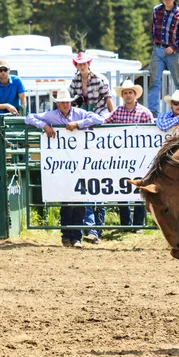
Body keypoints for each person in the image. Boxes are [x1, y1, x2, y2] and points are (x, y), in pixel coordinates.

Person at [24, 88, 105, 248]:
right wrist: (45, 125)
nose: (65, 104)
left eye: (67, 102)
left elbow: (100, 119)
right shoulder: (51, 115)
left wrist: (79, 124)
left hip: (81, 162)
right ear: (58, 104)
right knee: (67, 199)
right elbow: (29, 118)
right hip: (63, 163)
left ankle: (76, 237)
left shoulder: (79, 114)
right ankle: (66, 235)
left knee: (80, 200)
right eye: (62, 102)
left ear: (71, 102)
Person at [69, 51, 114, 243]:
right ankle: (94, 230)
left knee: (95, 179)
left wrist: (113, 118)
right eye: (79, 64)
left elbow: (108, 100)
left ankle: (95, 229)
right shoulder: (74, 82)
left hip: (98, 118)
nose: (82, 66)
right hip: (82, 121)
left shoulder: (100, 79)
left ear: (89, 63)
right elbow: (70, 102)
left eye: (84, 63)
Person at [104, 79, 152, 231]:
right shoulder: (117, 111)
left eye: (130, 92)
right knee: (122, 187)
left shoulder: (144, 112)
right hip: (122, 157)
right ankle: (125, 223)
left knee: (140, 188)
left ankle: (137, 224)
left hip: (140, 157)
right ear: (123, 95)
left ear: (135, 94)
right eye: (125, 93)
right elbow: (104, 123)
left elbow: (151, 132)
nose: (128, 95)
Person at [148, 0, 179, 118]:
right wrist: (156, 43)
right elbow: (152, 28)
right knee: (154, 83)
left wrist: (174, 47)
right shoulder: (156, 11)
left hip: (173, 52)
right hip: (158, 49)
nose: (167, 0)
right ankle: (153, 114)